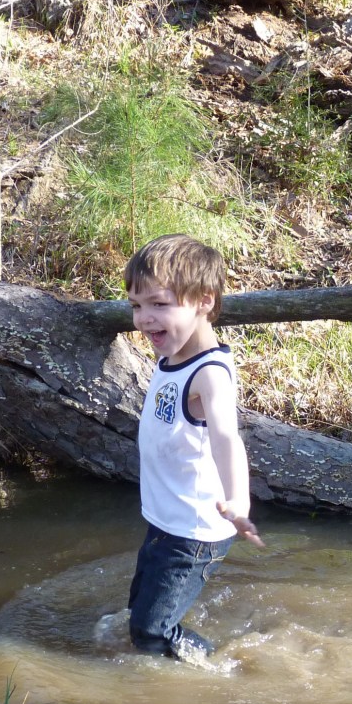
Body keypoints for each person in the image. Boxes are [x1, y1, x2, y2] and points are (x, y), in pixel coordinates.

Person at [124, 234, 263, 661]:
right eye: (136, 305)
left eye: (159, 304)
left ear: (204, 300)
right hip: (165, 520)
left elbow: (226, 438)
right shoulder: (171, 357)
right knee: (137, 613)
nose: (144, 318)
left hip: (195, 532)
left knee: (151, 632)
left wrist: (238, 501)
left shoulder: (210, 373)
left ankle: (216, 669)